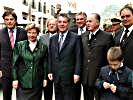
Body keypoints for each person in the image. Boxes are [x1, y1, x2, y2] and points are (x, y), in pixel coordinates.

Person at [48, 13, 82, 100]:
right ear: (57, 23)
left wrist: (77, 73)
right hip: (56, 76)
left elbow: (78, 56)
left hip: (70, 77)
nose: (62, 24)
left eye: (64, 22)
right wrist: (50, 71)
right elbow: (50, 56)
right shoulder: (52, 39)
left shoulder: (76, 38)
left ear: (68, 23)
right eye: (59, 22)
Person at [81, 13, 114, 100]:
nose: (87, 23)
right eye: (87, 21)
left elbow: (110, 59)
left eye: (90, 21)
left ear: (97, 23)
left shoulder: (107, 37)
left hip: (100, 78)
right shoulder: (83, 36)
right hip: (85, 78)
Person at [12, 23, 48, 100]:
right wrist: (15, 79)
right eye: (29, 32)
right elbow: (14, 64)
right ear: (27, 33)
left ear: (38, 33)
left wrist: (45, 78)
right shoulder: (19, 45)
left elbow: (45, 64)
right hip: (23, 81)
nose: (31, 35)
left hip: (37, 82)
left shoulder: (43, 47)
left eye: (34, 33)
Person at [0, 10, 27, 100]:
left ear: (15, 20)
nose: (9, 21)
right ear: (4, 21)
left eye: (11, 19)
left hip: (21, 70)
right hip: (5, 70)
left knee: (22, 96)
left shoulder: (23, 32)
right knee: (6, 95)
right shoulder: (0, 33)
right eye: (6, 19)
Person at [40, 18, 58, 100]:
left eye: (53, 24)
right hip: (46, 68)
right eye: (49, 24)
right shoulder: (42, 38)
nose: (51, 25)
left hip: (59, 68)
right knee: (47, 93)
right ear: (47, 26)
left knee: (60, 93)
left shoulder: (61, 36)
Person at [114, 5, 133, 70]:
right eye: (122, 17)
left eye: (128, 16)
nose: (125, 19)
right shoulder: (117, 33)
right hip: (118, 73)